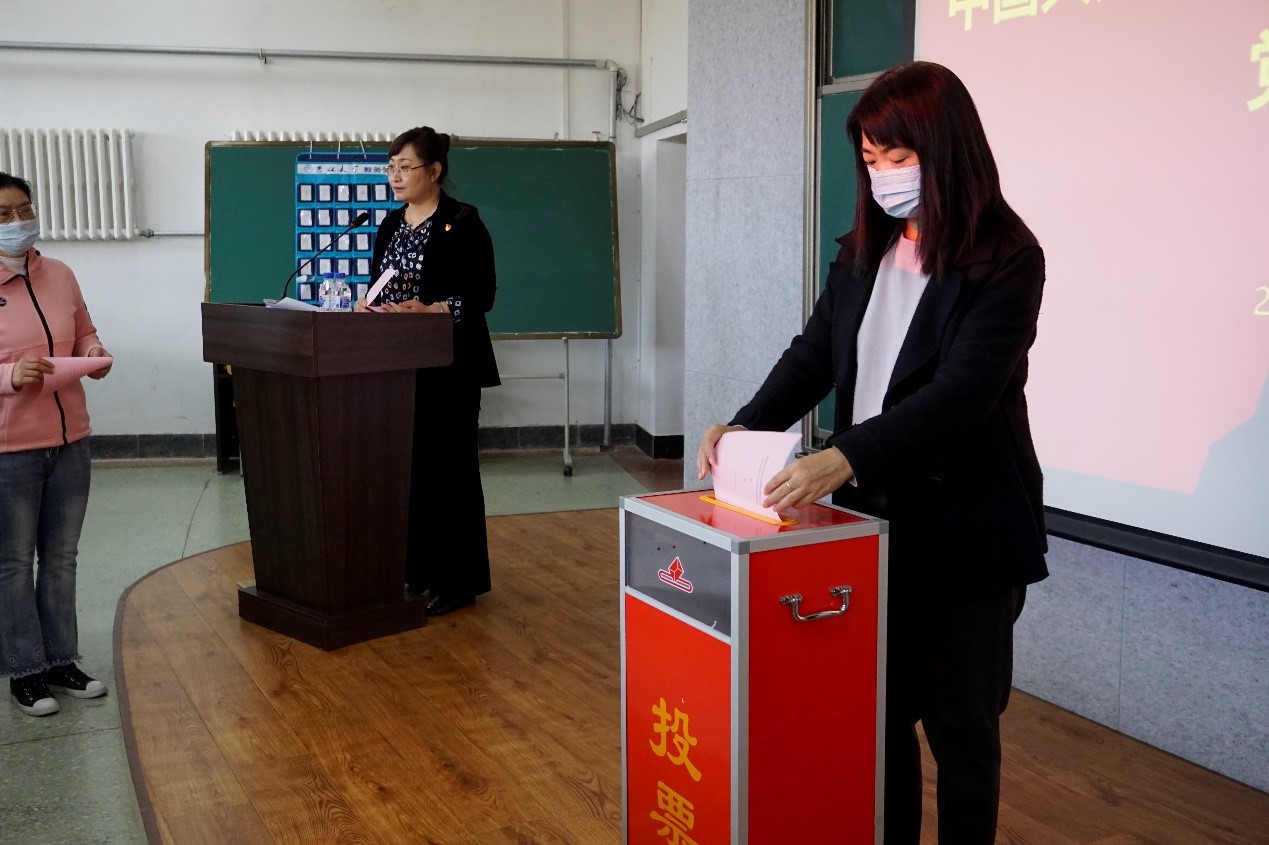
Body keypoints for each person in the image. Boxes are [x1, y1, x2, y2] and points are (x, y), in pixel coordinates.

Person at [696, 62, 1048, 844]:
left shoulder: (1006, 257)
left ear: (944, 149)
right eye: (869, 158)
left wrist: (845, 454)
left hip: (964, 531)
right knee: (878, 718)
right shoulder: (866, 248)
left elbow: (962, 393)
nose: (883, 174)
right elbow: (813, 355)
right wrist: (744, 425)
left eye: (898, 156)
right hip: (870, 525)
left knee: (961, 732)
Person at [356, 127, 499, 617]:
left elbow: (482, 295)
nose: (395, 176)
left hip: (450, 368)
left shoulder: (463, 221)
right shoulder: (389, 225)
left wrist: (434, 309)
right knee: (409, 469)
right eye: (390, 167)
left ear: (434, 171)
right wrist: (369, 305)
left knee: (450, 471)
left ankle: (457, 581)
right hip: (397, 367)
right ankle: (416, 569)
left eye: (405, 167)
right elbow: (381, 286)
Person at [0, 172, 113, 717]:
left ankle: (62, 660)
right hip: (10, 449)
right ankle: (25, 671)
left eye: (24, 209)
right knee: (13, 563)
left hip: (70, 439)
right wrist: (8, 375)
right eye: (4, 214)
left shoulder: (60, 274)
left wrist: (93, 353)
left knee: (61, 558)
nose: (18, 222)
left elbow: (84, 330)